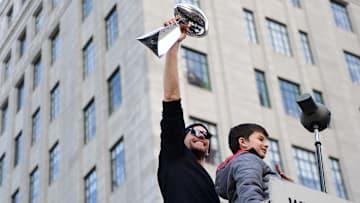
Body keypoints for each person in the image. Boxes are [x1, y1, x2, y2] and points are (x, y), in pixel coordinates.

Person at [157, 18, 220, 203]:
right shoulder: (174, 154)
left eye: (206, 134)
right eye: (193, 131)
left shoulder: (211, 187)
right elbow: (171, 97)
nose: (201, 135)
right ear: (180, 138)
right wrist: (173, 44)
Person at [215, 123, 292, 203]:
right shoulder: (247, 159)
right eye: (261, 139)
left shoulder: (241, 162)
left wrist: (286, 187)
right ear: (243, 142)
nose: (266, 145)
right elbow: (249, 187)